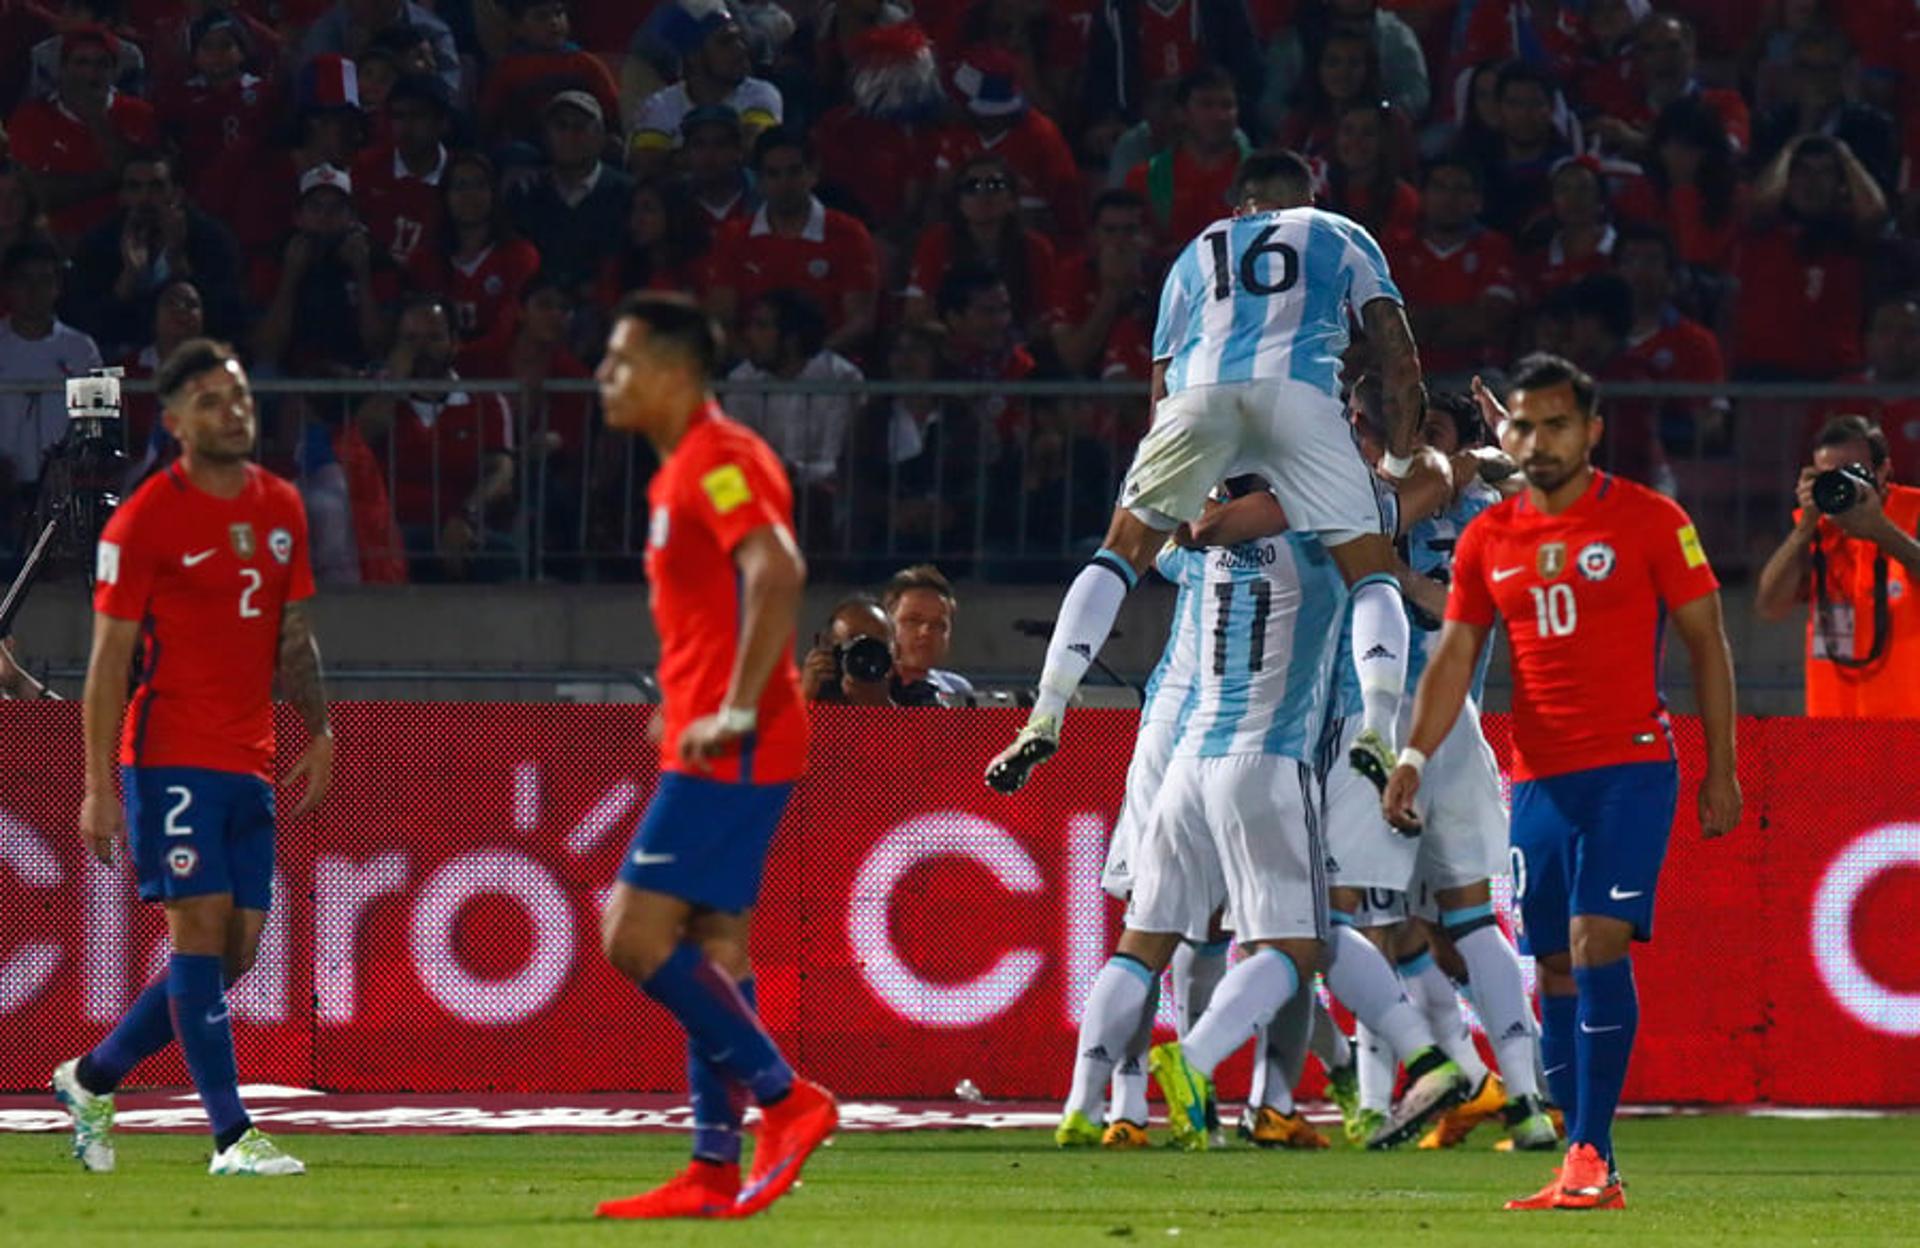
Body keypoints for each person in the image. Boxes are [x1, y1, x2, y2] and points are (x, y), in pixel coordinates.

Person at [1384, 353, 1742, 1211]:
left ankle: (1591, 1148)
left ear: (1591, 431)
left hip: (1630, 768)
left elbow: (1706, 642)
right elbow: (1456, 657)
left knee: (1595, 942)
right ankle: (1582, 1156)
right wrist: (1412, 756)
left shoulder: (1651, 521)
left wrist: (1720, 769)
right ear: (1503, 432)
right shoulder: (1489, 537)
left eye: (1556, 424)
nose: (1538, 440)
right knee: (1552, 965)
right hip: (1538, 780)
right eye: (1523, 425)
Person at [984, 150, 1428, 807]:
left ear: (1240, 206)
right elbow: (1398, 353)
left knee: (1118, 553)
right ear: (1308, 195)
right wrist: (1393, 464)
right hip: (1300, 396)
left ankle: (1046, 712)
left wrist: (1196, 478)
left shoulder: (1197, 249)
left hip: (1200, 400)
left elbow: (1161, 381)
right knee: (1371, 573)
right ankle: (1379, 731)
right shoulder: (1337, 232)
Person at [51, 338, 331, 1177]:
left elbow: (293, 635)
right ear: (173, 423)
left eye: (238, 395)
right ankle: (231, 1136)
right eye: (209, 400)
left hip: (251, 757)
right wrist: (99, 786)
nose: (231, 411)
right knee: (201, 934)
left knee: (235, 953)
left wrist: (320, 728)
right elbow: (108, 662)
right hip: (169, 754)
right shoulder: (145, 520)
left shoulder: (282, 505)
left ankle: (92, 1076)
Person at [592, 292, 836, 1221]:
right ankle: (710, 1166)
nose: (605, 379)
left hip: (738, 741)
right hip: (719, 733)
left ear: (675, 372)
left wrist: (732, 707)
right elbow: (713, 607)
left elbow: (777, 569)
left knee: (633, 936)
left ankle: (787, 1097)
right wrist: (686, 697)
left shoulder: (721, 460)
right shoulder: (681, 469)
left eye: (621, 361)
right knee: (713, 945)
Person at [1069, 478, 1348, 1153]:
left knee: (1149, 935)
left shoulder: (1195, 547)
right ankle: (1194, 1067)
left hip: (1180, 747)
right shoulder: (1320, 537)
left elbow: (1174, 539)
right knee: (1293, 944)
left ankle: (1094, 1102)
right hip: (1258, 750)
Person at [1055, 532, 1211, 1151]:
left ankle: (1101, 1100)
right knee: (1271, 932)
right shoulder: (1303, 530)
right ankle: (1189, 1096)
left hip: (1174, 725)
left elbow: (1155, 545)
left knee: (1149, 923)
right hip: (1244, 735)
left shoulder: (1203, 531)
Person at [1755, 413, 1920, 719]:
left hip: (1908, 725)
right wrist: (1804, 529)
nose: (1842, 485)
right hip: (1833, 726)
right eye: (1829, 476)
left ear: (1884, 470)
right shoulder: (1815, 530)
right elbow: (1770, 607)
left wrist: (1879, 529)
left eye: (1853, 473)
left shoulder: (1914, 511)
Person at [706, 128, 879, 357]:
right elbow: (723, 319)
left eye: (794, 172)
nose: (785, 183)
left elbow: (860, 320)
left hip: (830, 373)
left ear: (813, 172)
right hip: (753, 375)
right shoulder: (734, 236)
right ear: (759, 179)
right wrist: (760, 363)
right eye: (773, 174)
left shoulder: (848, 233)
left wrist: (807, 364)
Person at [63, 150, 243, 357]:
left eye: (156, 187)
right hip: (116, 353)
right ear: (122, 196)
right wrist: (128, 278)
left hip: (192, 351)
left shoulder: (211, 239)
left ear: (177, 193)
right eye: (134, 187)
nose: (145, 197)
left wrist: (177, 262)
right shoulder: (98, 242)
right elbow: (86, 323)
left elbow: (226, 318)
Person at [6, 25, 161, 245]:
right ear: (63, 68)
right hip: (53, 242)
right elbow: (36, 195)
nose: (91, 73)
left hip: (129, 240)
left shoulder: (140, 113)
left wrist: (97, 120)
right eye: (81, 62)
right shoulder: (30, 117)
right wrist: (113, 177)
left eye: (101, 64)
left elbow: (146, 185)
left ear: (114, 71)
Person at [0, 241, 105, 529]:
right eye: (25, 280)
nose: (34, 291)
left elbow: (99, 421)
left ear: (57, 287)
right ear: (9, 286)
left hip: (67, 487)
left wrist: (74, 466)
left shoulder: (83, 349)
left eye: (44, 280)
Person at [1387, 156, 1519, 380]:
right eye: (1439, 187)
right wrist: (1455, 314)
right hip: (1406, 374)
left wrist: (1423, 321)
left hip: (1475, 374)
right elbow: (1386, 323)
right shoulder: (1396, 248)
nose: (1450, 197)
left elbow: (1489, 321)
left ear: (1477, 201)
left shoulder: (1495, 247)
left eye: (1461, 189)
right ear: (1423, 197)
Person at [881, 564, 975, 706]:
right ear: (886, 624)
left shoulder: (958, 690)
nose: (926, 632)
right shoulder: (861, 690)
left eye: (938, 624)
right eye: (913, 620)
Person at [799, 595, 895, 706]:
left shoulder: (908, 693)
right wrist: (805, 696)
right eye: (854, 645)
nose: (864, 656)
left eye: (875, 646)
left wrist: (881, 706)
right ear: (829, 649)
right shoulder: (813, 695)